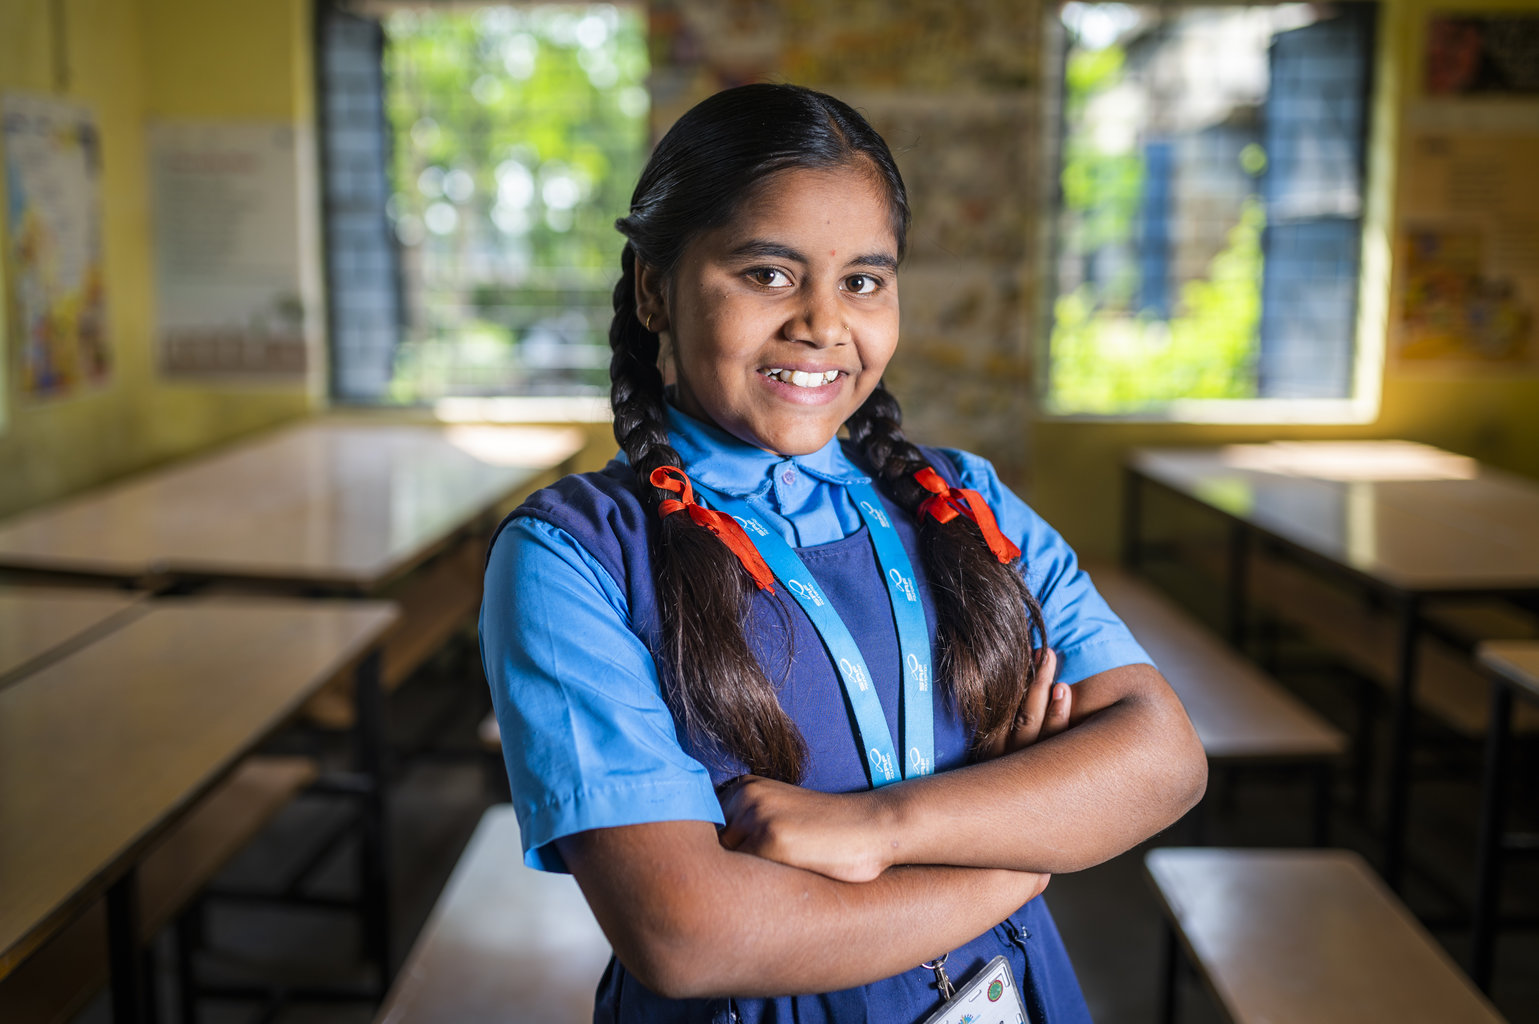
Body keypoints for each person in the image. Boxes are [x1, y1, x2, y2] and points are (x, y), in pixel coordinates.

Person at [480, 83, 1207, 1024]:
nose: (822, 324)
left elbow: (1162, 759)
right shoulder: (571, 556)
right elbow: (686, 935)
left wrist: (877, 829)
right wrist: (1022, 855)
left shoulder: (964, 503)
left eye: (862, 281)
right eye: (767, 274)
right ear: (655, 288)